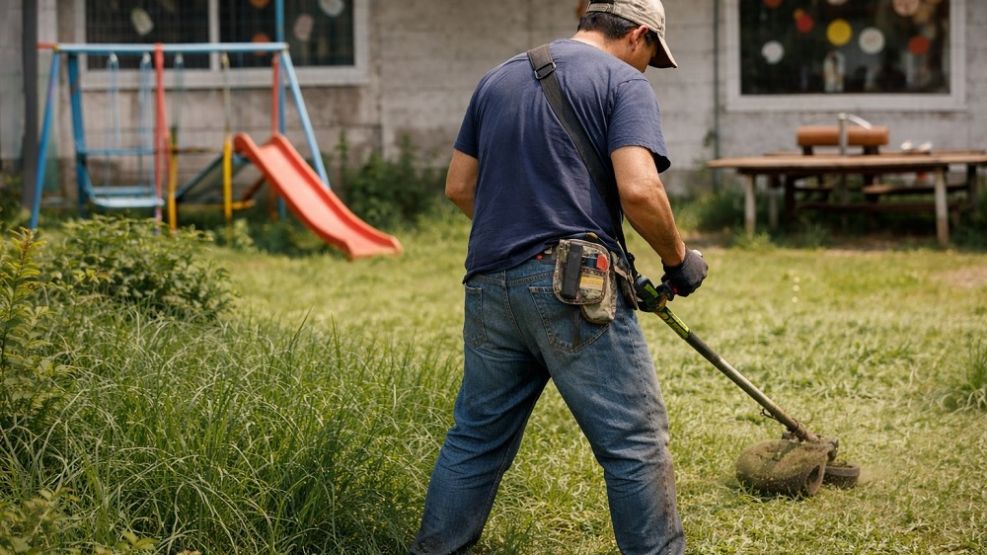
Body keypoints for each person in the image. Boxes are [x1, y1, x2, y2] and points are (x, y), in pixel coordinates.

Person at [411, 1, 707, 553]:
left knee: (475, 440)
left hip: (490, 284)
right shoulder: (622, 82)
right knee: (634, 444)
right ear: (638, 35)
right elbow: (640, 190)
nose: (647, 69)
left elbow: (458, 186)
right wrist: (678, 259)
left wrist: (523, 237)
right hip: (573, 286)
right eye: (651, 57)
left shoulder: (497, 78)